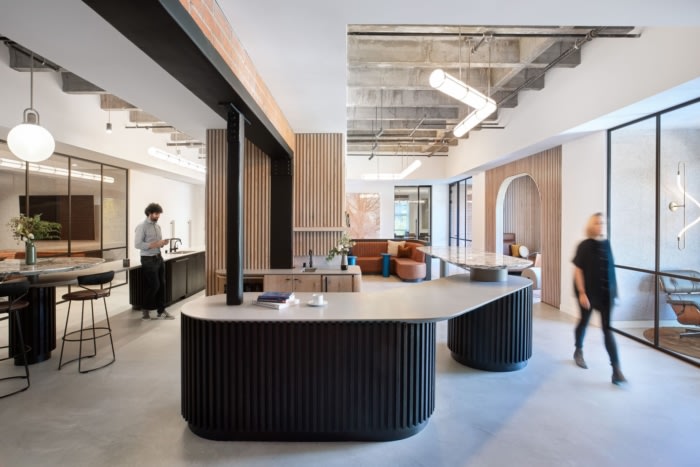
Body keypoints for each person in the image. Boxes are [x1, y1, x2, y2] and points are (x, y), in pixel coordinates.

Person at [572, 212, 626, 385]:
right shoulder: (584, 246)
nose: (600, 225)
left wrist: (615, 293)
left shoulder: (607, 244)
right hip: (588, 294)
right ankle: (578, 349)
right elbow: (578, 271)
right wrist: (582, 293)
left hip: (606, 295)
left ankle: (616, 370)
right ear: (591, 225)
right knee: (584, 322)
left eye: (602, 222)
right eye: (597, 223)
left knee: (607, 330)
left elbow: (611, 270)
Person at [134, 202, 174, 320]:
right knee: (154, 285)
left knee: (162, 285)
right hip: (148, 259)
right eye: (156, 214)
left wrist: (162, 243)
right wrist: (155, 244)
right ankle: (145, 310)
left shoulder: (157, 227)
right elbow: (137, 244)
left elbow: (157, 243)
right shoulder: (141, 226)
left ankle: (161, 310)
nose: (158, 216)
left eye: (159, 214)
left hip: (158, 258)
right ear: (149, 213)